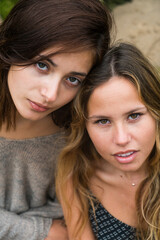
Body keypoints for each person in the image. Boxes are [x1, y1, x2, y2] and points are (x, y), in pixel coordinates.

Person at [0, 0, 113, 239]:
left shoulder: (74, 131)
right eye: (42, 65)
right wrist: (39, 231)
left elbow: (73, 204)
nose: (51, 95)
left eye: (72, 79)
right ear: (11, 48)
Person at [56, 42, 160, 240]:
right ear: (84, 126)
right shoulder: (77, 179)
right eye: (102, 121)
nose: (121, 139)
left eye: (134, 116)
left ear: (155, 113)